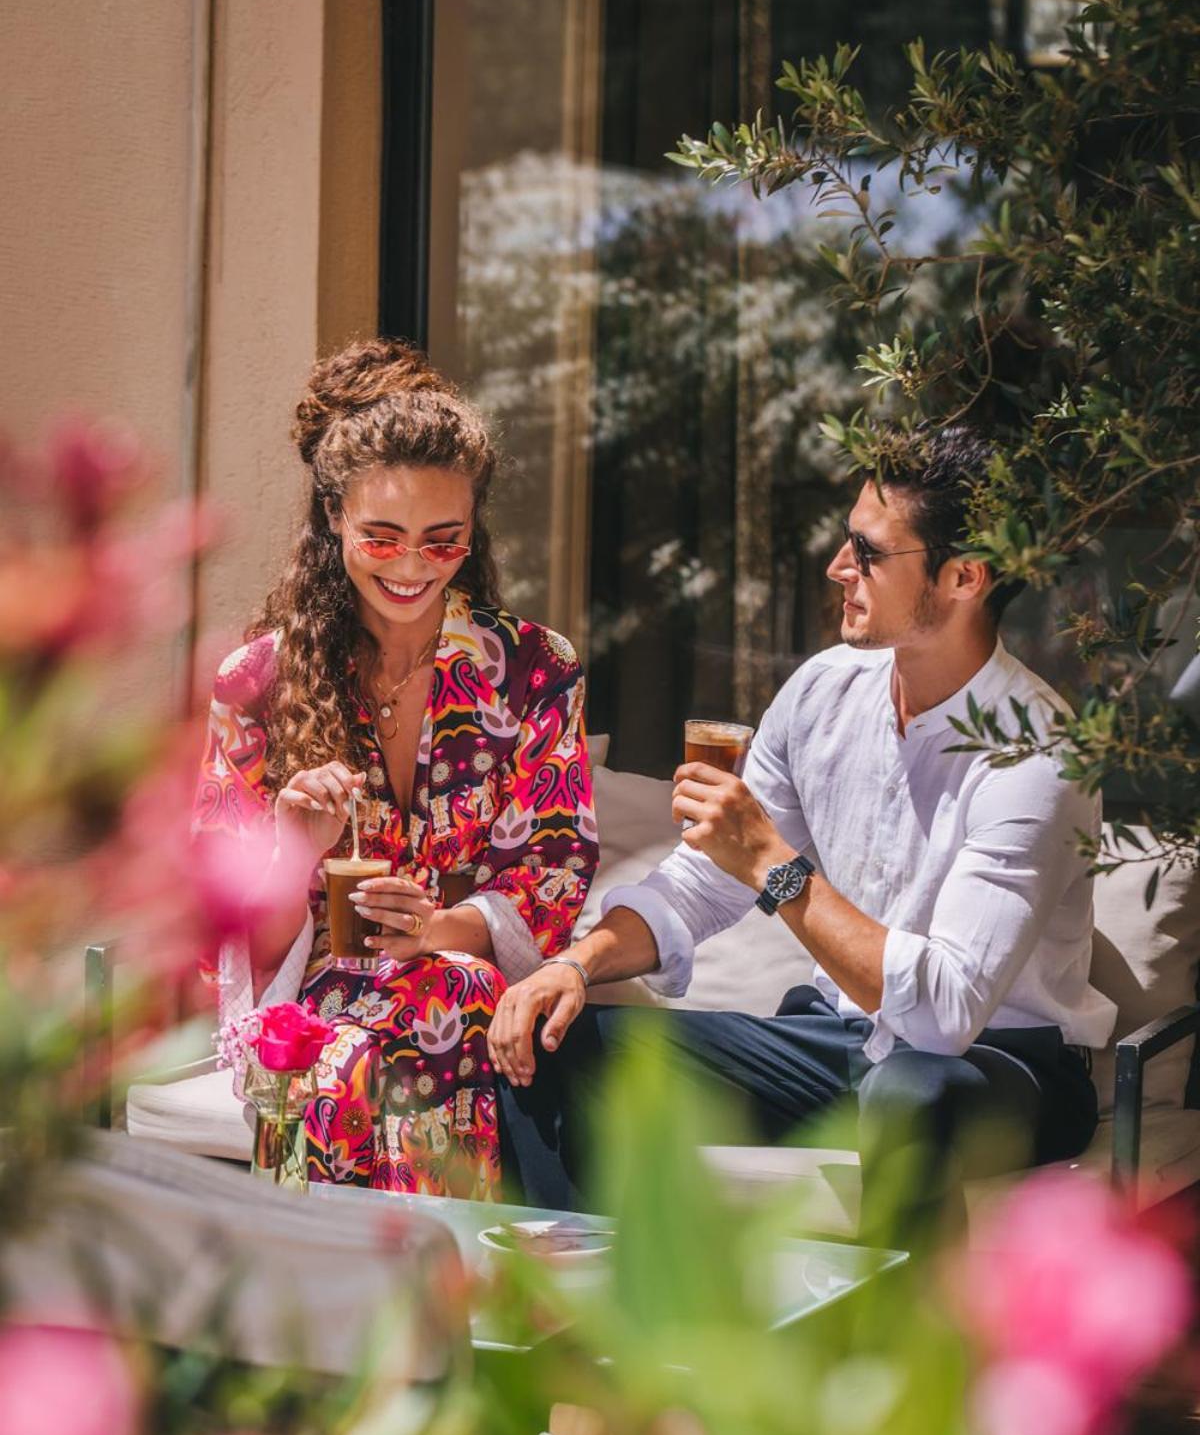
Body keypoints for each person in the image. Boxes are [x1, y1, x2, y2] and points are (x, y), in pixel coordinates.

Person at [488, 425, 1116, 1237]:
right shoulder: (826, 690)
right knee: (555, 1042)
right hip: (835, 1041)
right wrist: (572, 966)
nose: (837, 567)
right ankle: (583, 1318)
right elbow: (701, 882)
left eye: (869, 551)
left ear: (964, 577)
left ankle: (890, 1358)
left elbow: (946, 1013)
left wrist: (774, 865)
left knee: (911, 1092)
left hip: (1000, 1068)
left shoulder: (1033, 757)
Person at [193, 338, 598, 1198]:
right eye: (381, 535)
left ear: (470, 534)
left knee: (445, 999)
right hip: (312, 999)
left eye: (441, 541)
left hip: (466, 981)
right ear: (333, 519)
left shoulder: (533, 669)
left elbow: (552, 879)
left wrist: (433, 934)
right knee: (340, 1058)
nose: (412, 565)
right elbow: (221, 929)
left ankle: (398, 1296)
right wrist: (294, 850)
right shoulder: (258, 684)